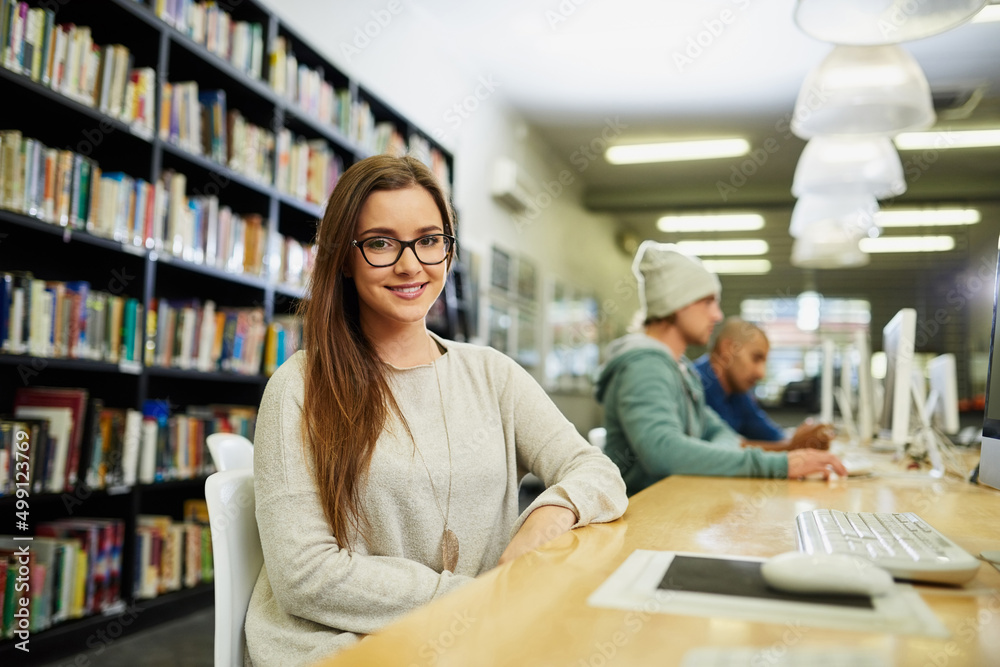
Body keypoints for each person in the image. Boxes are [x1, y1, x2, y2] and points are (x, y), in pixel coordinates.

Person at [245, 155, 627, 666]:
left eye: (429, 240)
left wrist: (550, 515)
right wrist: (478, 597)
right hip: (340, 646)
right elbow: (304, 576)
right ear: (343, 256)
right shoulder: (299, 386)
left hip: (472, 636)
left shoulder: (492, 373)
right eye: (381, 243)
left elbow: (596, 471)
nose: (411, 264)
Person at [594, 241, 845, 496]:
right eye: (708, 302)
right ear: (676, 303)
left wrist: (709, 447)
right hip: (639, 519)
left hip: (671, 507)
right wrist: (778, 465)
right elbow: (663, 452)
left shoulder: (682, 371)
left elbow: (721, 434)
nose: (717, 315)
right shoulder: (644, 366)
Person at [694, 317, 834, 451]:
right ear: (728, 348)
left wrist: (799, 438)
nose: (761, 373)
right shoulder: (693, 384)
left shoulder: (738, 392)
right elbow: (717, 452)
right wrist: (790, 447)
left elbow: (772, 436)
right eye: (756, 358)